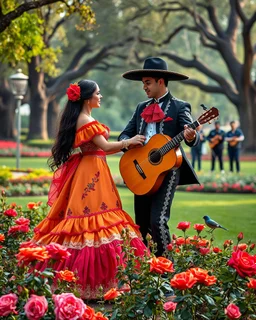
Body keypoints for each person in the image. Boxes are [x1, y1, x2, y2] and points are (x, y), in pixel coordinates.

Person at [32, 79, 147, 299]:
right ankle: (91, 284)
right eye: (98, 93)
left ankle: (99, 283)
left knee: (94, 221)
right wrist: (128, 142)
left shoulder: (85, 118)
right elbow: (104, 146)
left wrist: (128, 144)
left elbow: (102, 150)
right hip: (90, 173)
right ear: (87, 98)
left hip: (92, 168)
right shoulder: (85, 120)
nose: (100, 96)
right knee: (92, 221)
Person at [118, 57, 200, 257]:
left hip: (168, 170)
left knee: (158, 220)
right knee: (142, 222)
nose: (144, 87)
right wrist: (129, 141)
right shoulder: (140, 108)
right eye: (143, 83)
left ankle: (165, 268)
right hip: (142, 170)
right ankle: (146, 268)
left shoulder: (180, 107)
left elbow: (190, 136)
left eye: (147, 82)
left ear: (160, 81)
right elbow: (124, 135)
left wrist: (192, 135)